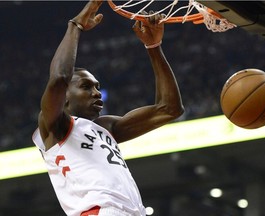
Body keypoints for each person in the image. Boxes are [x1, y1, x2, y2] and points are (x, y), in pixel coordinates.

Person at [32, 0, 184, 215]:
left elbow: (169, 109)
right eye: (86, 87)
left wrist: (153, 47)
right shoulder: (56, 126)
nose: (96, 93)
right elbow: (58, 79)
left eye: (97, 87)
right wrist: (75, 25)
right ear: (65, 96)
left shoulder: (107, 127)